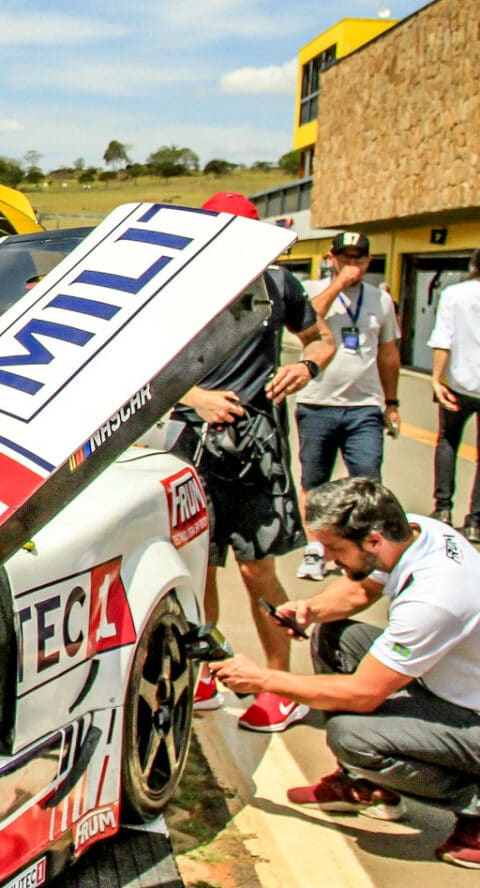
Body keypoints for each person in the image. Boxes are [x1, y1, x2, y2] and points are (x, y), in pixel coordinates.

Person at [210, 478, 480, 869]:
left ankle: (475, 808)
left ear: (372, 541)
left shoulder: (433, 598)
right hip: (455, 688)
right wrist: (310, 609)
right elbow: (358, 592)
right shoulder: (416, 532)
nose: (330, 561)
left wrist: (264, 680)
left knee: (351, 736)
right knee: (335, 636)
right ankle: (369, 786)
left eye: (336, 550)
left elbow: (362, 693)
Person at [175, 193, 337, 732]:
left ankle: (278, 685)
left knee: (256, 567)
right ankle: (207, 672)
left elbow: (322, 338)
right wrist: (196, 398)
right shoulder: (181, 284)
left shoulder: (280, 284)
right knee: (201, 566)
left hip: (256, 445)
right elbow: (147, 365)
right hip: (194, 442)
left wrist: (308, 366)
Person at [295, 230, 403, 581]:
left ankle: (364, 553)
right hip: (317, 401)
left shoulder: (380, 300)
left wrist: (391, 402)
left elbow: (388, 354)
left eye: (359, 258)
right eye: (345, 257)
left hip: (364, 406)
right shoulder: (312, 291)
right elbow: (307, 322)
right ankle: (315, 550)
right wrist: (338, 284)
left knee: (368, 479)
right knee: (314, 480)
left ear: (369, 262)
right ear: (331, 257)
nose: (352, 264)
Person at [430, 248, 480, 538]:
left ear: (473, 265)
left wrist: (436, 379)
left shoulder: (454, 293)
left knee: (448, 441)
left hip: (457, 385)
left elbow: (442, 338)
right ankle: (475, 522)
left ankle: (443, 509)